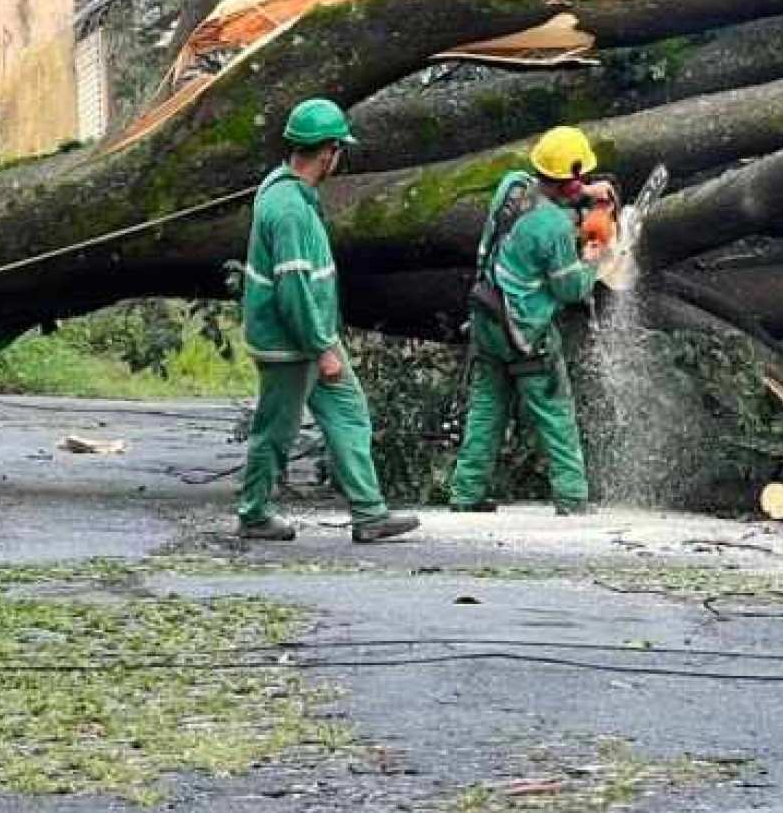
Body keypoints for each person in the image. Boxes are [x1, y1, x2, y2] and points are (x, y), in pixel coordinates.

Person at [238, 98, 420, 544]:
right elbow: (294, 287)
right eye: (339, 149)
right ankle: (255, 513)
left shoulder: (285, 191)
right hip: (293, 342)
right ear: (328, 151)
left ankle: (369, 513)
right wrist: (321, 349)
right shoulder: (290, 210)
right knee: (275, 431)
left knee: (349, 414)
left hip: (308, 335)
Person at [449, 125, 613, 515]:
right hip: (525, 330)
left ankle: (466, 493)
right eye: (581, 177)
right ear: (568, 179)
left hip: (487, 316)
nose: (585, 182)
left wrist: (588, 195)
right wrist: (595, 260)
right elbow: (570, 290)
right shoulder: (554, 227)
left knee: (487, 406)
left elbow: (545, 196)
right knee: (554, 410)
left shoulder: (512, 186)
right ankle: (572, 498)